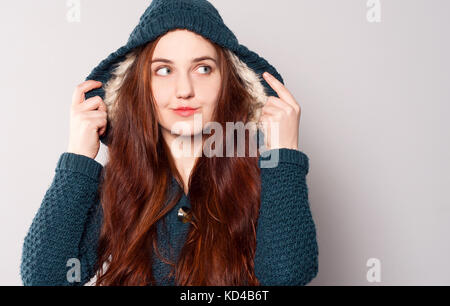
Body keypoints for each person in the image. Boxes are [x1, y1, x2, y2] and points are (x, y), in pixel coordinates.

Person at [20, 0, 319, 286]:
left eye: (203, 68)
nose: (184, 90)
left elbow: (286, 276)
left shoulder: (264, 177)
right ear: (140, 85)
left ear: (228, 80)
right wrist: (78, 156)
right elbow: (45, 277)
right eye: (164, 70)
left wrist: (283, 153)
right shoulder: (121, 183)